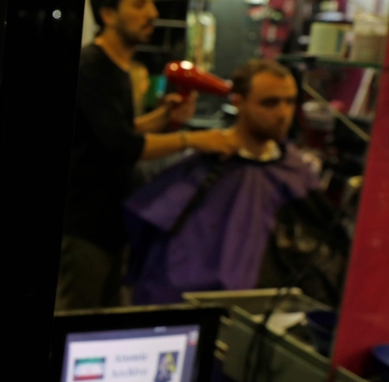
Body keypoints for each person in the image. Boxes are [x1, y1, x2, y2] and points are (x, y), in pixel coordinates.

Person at [57, 0, 240, 311]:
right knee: (74, 322)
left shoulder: (119, 68)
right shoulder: (91, 67)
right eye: (139, 4)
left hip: (111, 225)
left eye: (152, 3)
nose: (152, 13)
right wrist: (196, 139)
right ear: (108, 15)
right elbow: (122, 147)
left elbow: (118, 130)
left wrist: (164, 118)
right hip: (86, 227)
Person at [124, 59, 319, 304]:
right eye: (269, 102)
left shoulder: (294, 170)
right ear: (238, 101)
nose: (283, 113)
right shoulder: (202, 168)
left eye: (290, 102)